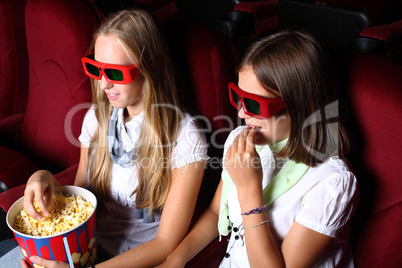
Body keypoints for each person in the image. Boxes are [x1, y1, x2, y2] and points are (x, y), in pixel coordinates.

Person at [0, 8, 208, 268]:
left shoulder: (185, 136)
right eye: (96, 68)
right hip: (83, 246)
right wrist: (43, 178)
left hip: (134, 259)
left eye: (115, 73)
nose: (103, 84)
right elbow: (81, 196)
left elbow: (165, 243)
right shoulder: (97, 117)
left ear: (150, 69)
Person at [158, 29, 359, 267]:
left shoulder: (333, 183)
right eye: (239, 97)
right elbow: (215, 213)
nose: (241, 113)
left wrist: (249, 190)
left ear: (299, 106)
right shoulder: (241, 141)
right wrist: (175, 260)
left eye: (254, 104)